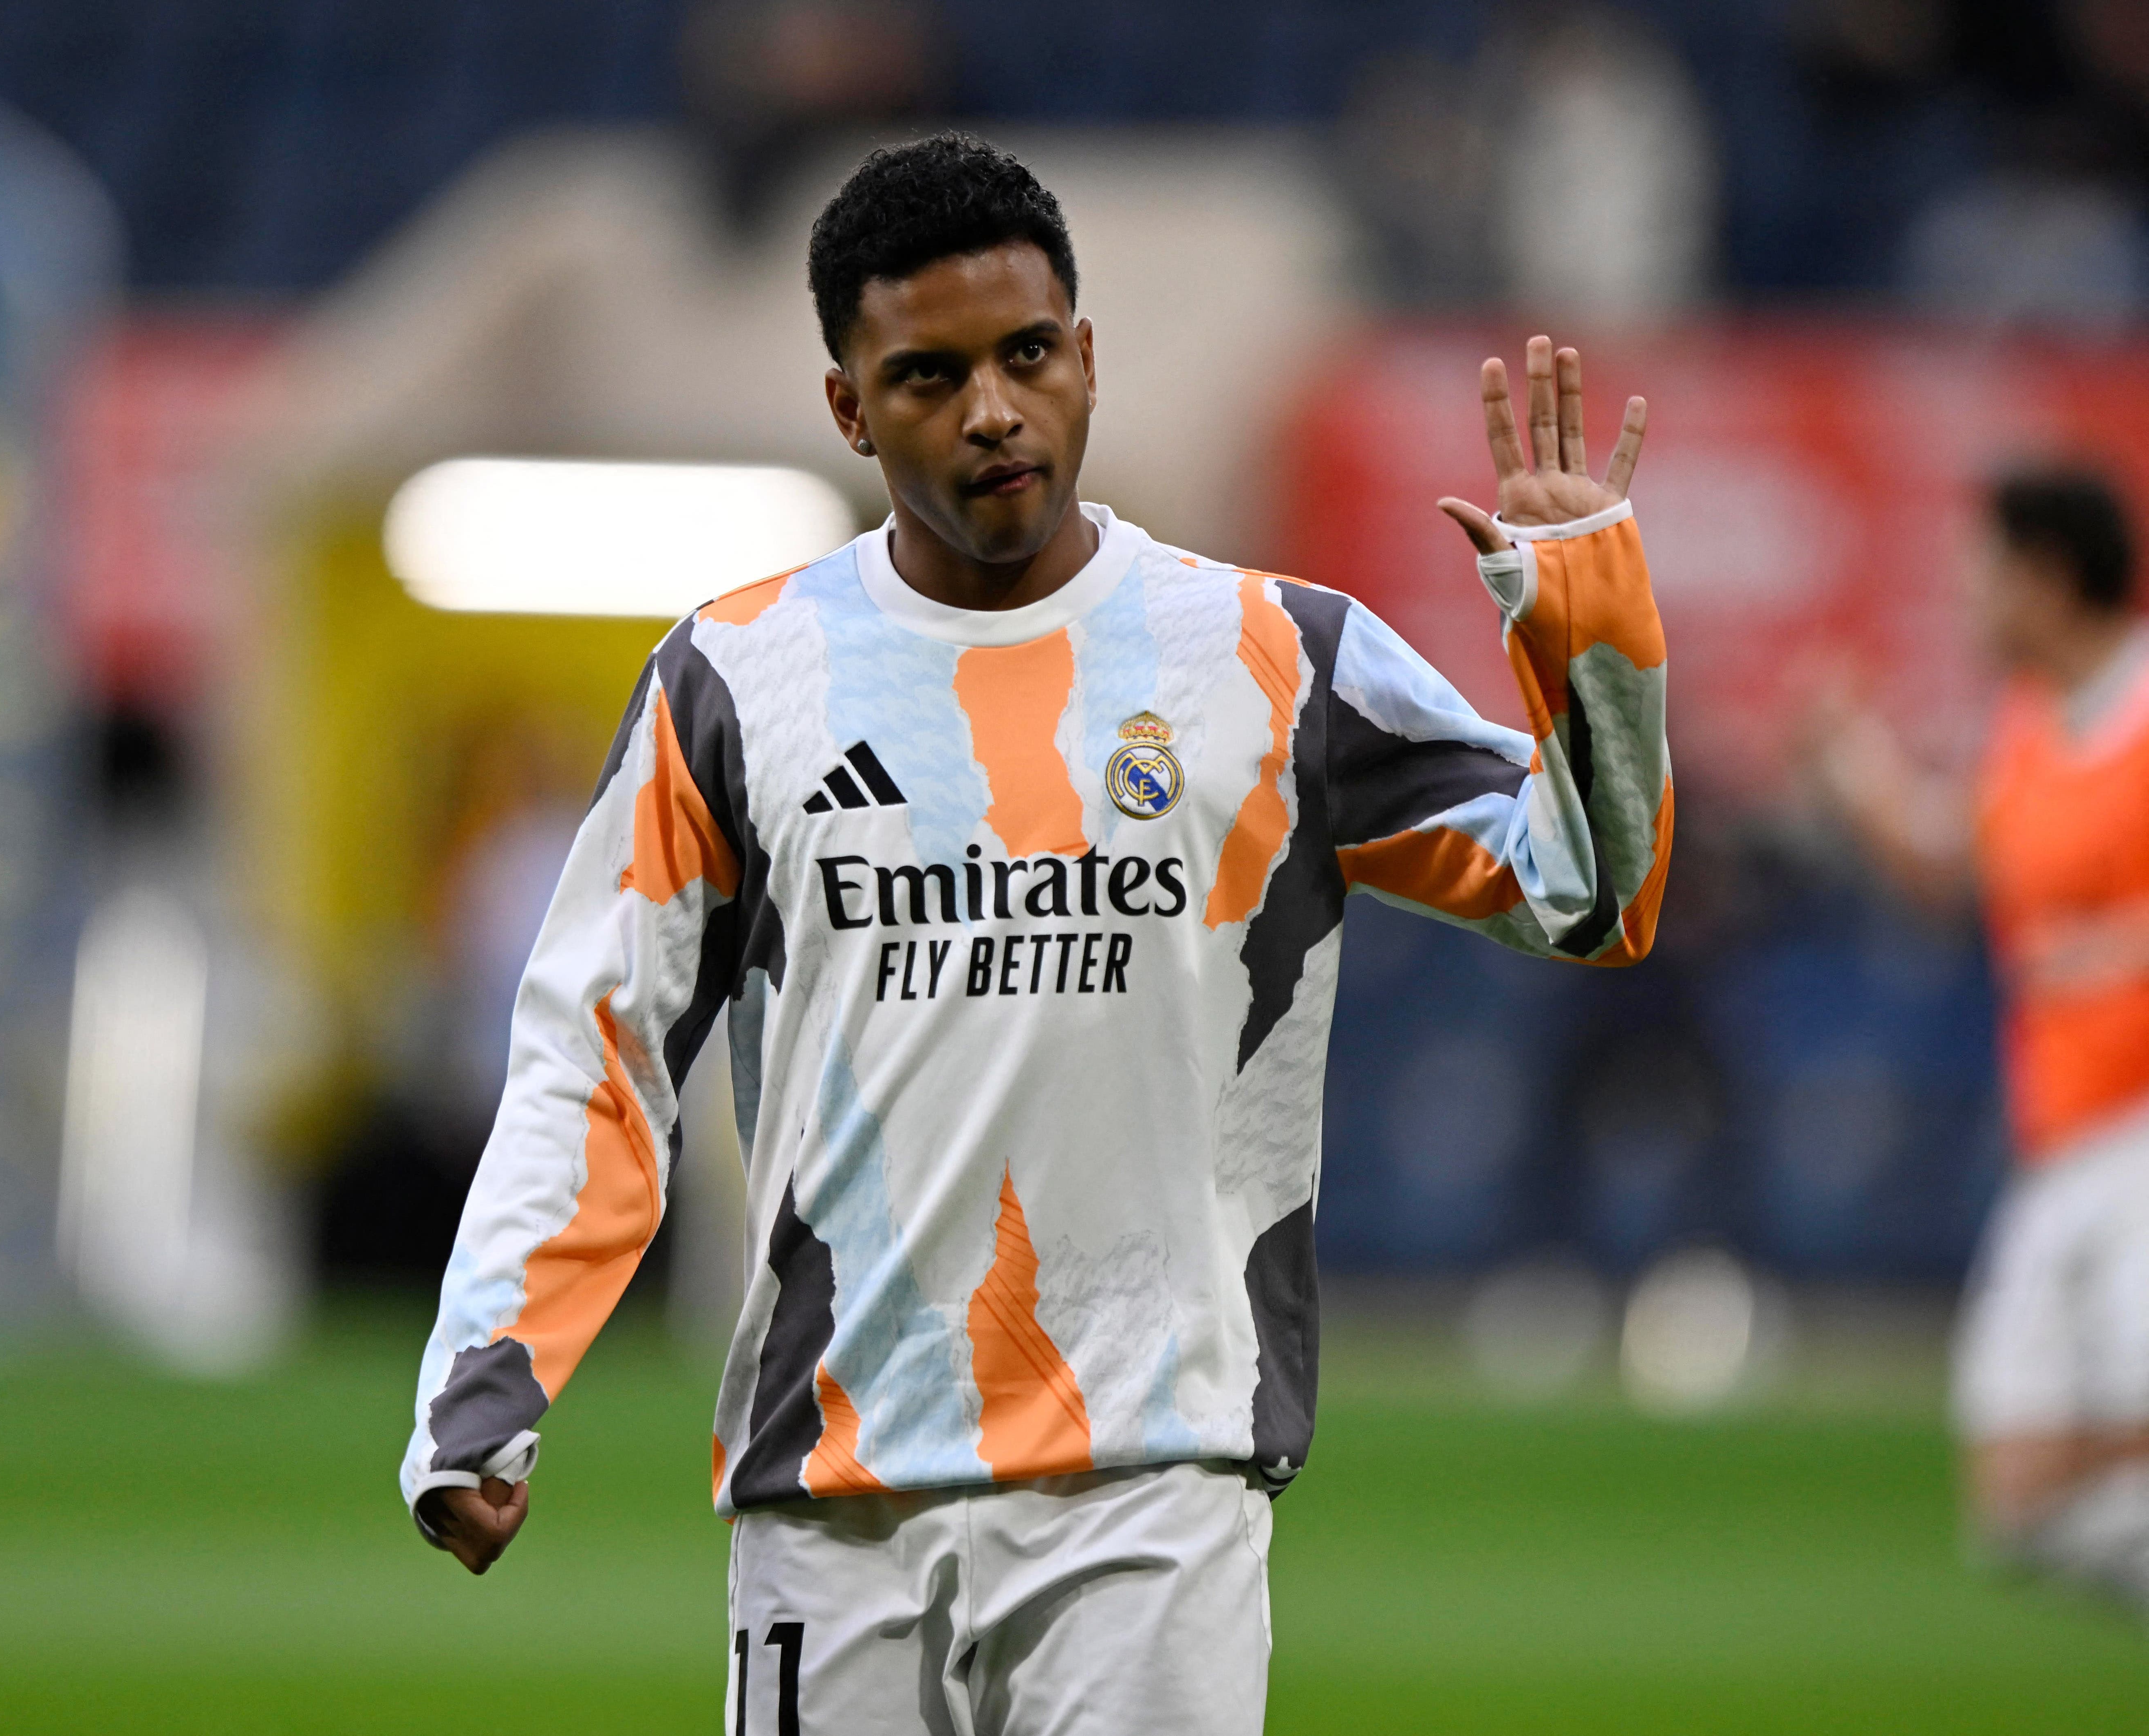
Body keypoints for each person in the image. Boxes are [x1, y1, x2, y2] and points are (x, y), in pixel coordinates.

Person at [400, 132, 1670, 1734]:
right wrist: (486, 1387)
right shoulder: (734, 685)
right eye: (929, 376)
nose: (993, 409)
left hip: (1153, 1487)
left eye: (1026, 355)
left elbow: (1590, 894)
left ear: (1087, 356)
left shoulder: (1271, 658)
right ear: (849, 410)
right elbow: (589, 1054)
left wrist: (1587, 620)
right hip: (834, 1492)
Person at [1812, 468, 2149, 1609]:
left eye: (1986, 574)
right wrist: (1850, 759)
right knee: (2021, 1504)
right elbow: (1949, 869)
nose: (1967, 600)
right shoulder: (2026, 728)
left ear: (2051, 578)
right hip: (2058, 1141)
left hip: (2144, 1136)